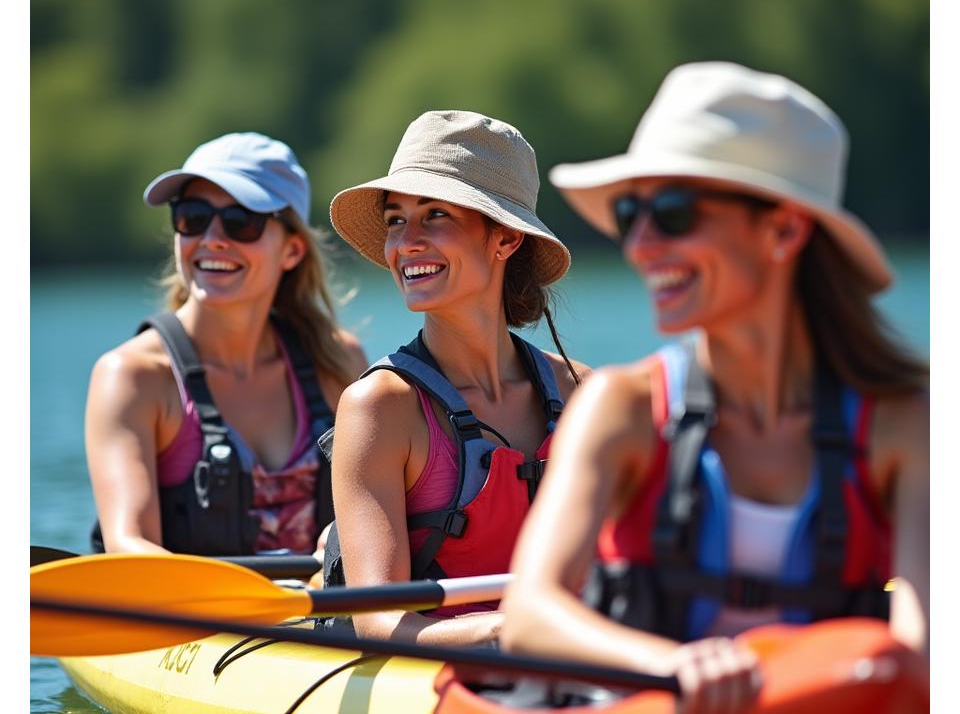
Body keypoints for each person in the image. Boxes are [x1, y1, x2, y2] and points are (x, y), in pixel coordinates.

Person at [500, 62, 929, 711]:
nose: (640, 245)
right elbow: (530, 614)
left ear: (784, 230)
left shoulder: (907, 424)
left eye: (672, 212)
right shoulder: (621, 408)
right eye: (628, 211)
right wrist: (676, 665)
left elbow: (924, 655)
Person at [322, 110, 588, 646]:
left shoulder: (582, 392)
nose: (406, 242)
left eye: (436, 215)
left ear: (506, 239)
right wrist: (510, 629)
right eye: (396, 219)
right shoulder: (379, 406)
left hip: (564, 656)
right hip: (439, 670)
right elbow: (381, 622)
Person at [86, 132, 368, 558]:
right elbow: (130, 547)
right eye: (193, 217)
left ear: (292, 250)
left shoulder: (338, 362)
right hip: (194, 621)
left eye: (241, 222)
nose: (213, 239)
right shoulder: (132, 377)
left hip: (317, 621)